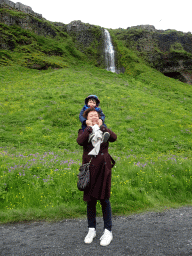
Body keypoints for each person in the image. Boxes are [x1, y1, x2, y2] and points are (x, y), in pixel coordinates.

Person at [77, 108, 117, 246]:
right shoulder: (83, 131)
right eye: (91, 115)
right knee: (90, 201)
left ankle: (108, 231)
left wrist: (102, 127)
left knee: (104, 200)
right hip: (89, 170)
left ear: (100, 117)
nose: (94, 116)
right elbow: (80, 142)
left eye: (96, 115)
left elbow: (114, 138)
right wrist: (89, 128)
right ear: (86, 118)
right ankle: (91, 229)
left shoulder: (103, 129)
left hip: (103, 168)